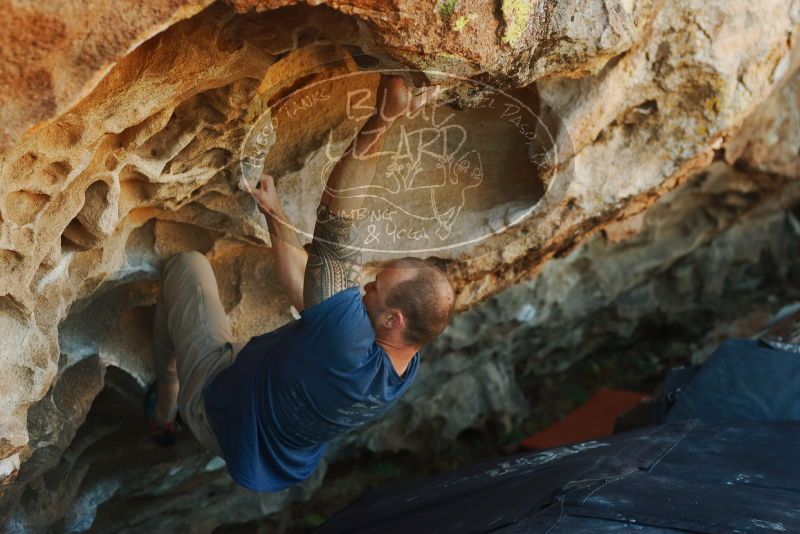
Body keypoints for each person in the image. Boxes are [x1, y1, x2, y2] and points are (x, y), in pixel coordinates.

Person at [147, 74, 455, 492]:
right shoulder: (404, 365)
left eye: (375, 288)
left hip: (217, 412)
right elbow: (307, 297)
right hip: (273, 457)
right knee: (294, 321)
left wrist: (382, 119)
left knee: (187, 267)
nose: (364, 286)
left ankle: (167, 403)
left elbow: (337, 228)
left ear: (392, 320)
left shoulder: (347, 345)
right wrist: (274, 214)